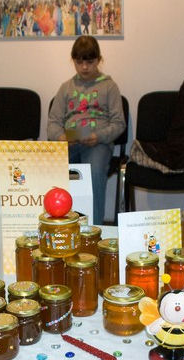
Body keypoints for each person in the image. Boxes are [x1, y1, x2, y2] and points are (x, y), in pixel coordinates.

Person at [48, 35, 126, 225]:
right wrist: (61, 137)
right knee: (52, 170)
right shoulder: (66, 88)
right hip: (70, 142)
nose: (84, 67)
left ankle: (95, 227)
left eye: (89, 62)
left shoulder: (109, 86)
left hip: (97, 143)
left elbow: (119, 123)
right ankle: (60, 225)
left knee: (94, 172)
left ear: (99, 60)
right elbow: (53, 123)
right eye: (79, 62)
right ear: (73, 61)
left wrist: (98, 136)